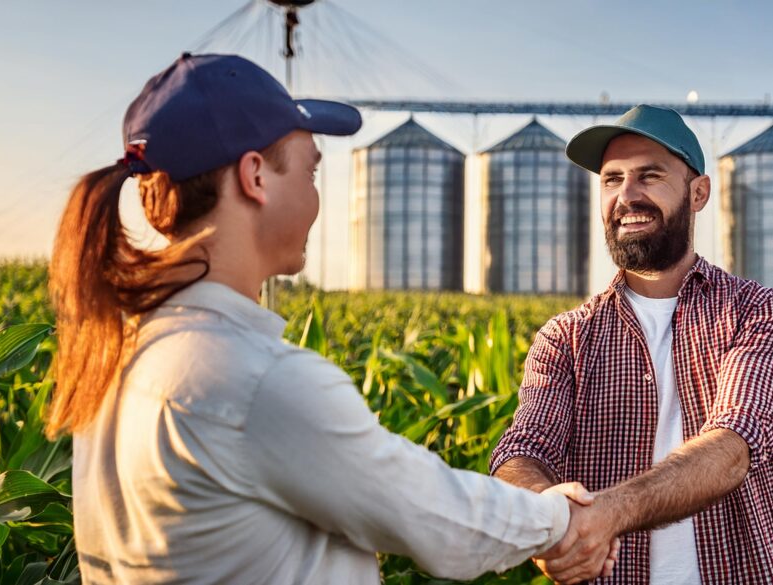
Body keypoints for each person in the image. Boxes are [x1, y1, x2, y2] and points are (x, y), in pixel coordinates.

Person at [45, 53, 619, 585]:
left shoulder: (118, 354)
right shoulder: (252, 378)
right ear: (255, 177)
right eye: (310, 172)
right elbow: (436, 518)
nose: (317, 196)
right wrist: (557, 518)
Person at [490, 105, 773, 584]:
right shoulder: (565, 338)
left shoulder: (761, 312)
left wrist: (604, 515)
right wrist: (548, 515)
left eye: (649, 176)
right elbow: (522, 450)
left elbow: (731, 447)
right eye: (611, 179)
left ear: (697, 193)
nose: (626, 196)